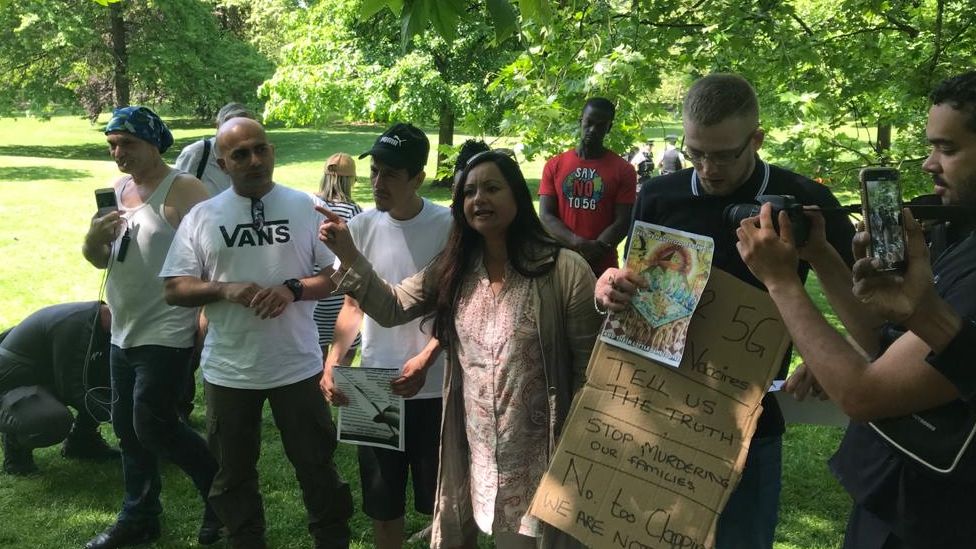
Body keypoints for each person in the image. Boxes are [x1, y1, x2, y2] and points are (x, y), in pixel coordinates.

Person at [594, 73, 856, 549]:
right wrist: (609, 288)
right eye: (696, 152)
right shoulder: (659, 195)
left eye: (724, 154)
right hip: (655, 406)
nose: (708, 168)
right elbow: (634, 284)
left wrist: (833, 357)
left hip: (747, 421)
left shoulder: (804, 201)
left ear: (756, 139)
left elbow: (862, 300)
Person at [736, 71, 976, 549]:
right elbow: (883, 344)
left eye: (947, 149)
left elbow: (866, 393)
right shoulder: (961, 232)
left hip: (940, 519)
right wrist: (821, 255)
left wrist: (781, 282)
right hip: (898, 499)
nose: (929, 164)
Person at [318, 150, 602, 549]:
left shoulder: (564, 270)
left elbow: (590, 372)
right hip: (484, 452)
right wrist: (349, 253)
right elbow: (392, 306)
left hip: (546, 454)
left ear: (517, 196)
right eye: (469, 192)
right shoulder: (456, 265)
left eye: (491, 188)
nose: (478, 199)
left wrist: (582, 451)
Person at [160, 117, 353, 549]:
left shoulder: (304, 206)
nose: (253, 160)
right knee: (232, 477)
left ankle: (332, 540)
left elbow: (337, 275)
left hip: (297, 365)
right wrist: (223, 289)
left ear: (272, 152)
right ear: (223, 165)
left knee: (318, 468)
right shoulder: (203, 216)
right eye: (240, 154)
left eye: (260, 149)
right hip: (230, 371)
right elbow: (174, 287)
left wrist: (293, 290)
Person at [81, 106, 220, 549]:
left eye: (127, 144)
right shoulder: (121, 189)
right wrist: (92, 238)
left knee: (154, 424)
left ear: (154, 143)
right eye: (112, 145)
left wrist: (204, 320)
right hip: (123, 328)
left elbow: (212, 261)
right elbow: (103, 259)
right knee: (125, 425)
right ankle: (140, 516)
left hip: (168, 329)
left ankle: (221, 498)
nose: (118, 154)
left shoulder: (185, 190)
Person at [319, 123, 452, 549]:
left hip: (433, 386)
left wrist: (429, 356)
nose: (378, 183)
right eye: (374, 171)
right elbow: (353, 304)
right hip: (374, 385)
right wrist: (334, 361)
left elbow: (456, 310)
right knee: (382, 501)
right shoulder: (360, 228)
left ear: (418, 178)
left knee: (441, 498)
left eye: (391, 174)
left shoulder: (449, 226)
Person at [0, 301, 118, 475]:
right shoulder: (76, 324)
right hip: (13, 385)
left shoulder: (107, 327)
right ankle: (15, 447)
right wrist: (119, 417)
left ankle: (83, 441)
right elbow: (73, 390)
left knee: (112, 379)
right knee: (54, 420)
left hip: (46, 379)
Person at [539, 97, 637, 276]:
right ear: (580, 122)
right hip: (560, 263)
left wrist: (597, 248)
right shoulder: (554, 165)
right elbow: (546, 215)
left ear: (609, 128)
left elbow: (624, 220)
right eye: (589, 123)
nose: (593, 130)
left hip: (602, 265)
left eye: (600, 125)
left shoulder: (624, 170)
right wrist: (577, 243)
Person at [312, 152, 363, 366]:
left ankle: (320, 390)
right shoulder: (353, 210)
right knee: (348, 348)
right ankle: (335, 385)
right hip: (341, 297)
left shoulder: (310, 205)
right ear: (349, 181)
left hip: (315, 291)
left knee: (317, 349)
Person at [174, 102, 254, 197]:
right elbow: (176, 193)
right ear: (217, 126)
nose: (237, 134)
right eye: (230, 128)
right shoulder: (195, 153)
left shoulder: (254, 156)